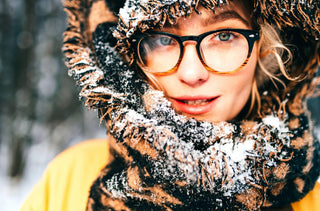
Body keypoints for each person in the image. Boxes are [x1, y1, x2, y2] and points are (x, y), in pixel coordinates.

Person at [21, 0, 320, 210]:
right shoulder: (67, 180)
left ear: (264, 48)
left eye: (224, 35)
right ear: (128, 58)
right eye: (162, 38)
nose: (192, 74)